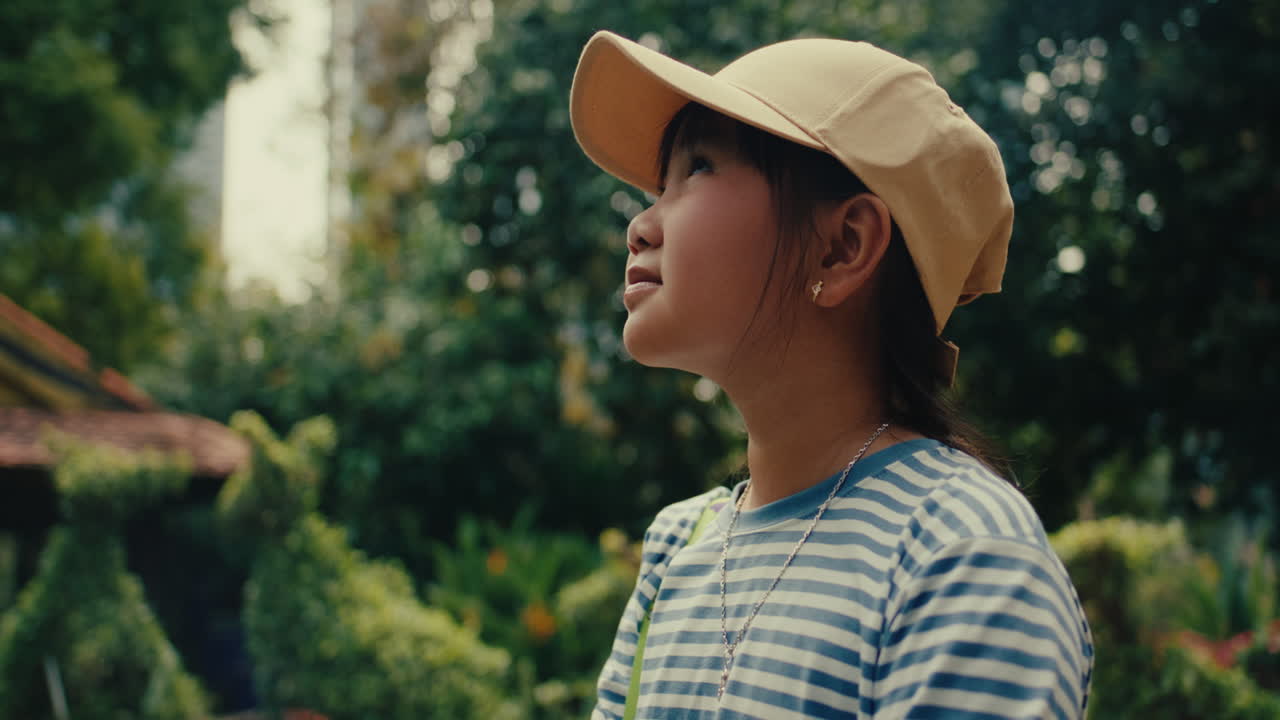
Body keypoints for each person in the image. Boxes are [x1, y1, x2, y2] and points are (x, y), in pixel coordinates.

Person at [569, 31, 1093, 719]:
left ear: (844, 247)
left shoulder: (961, 555)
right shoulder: (677, 548)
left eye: (697, 168)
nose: (640, 224)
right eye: (657, 185)